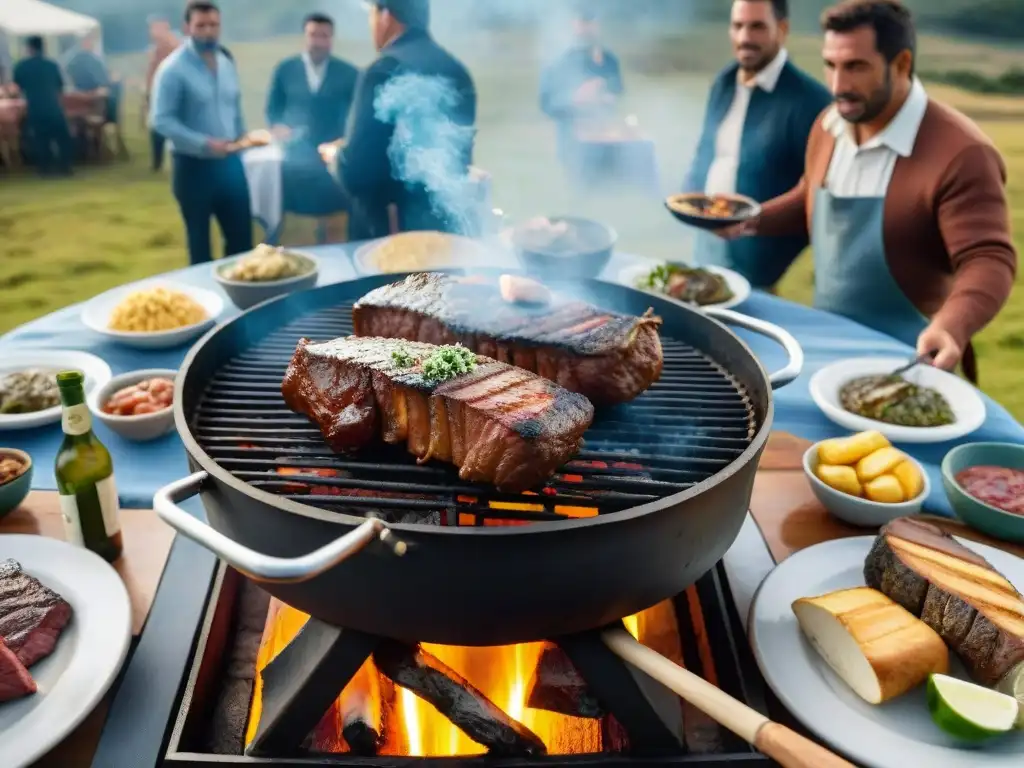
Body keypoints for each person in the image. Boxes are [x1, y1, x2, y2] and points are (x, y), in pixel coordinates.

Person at [718, 0, 1016, 381]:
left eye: (856, 67)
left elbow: (988, 258)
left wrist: (952, 326)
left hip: (913, 363)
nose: (838, 86)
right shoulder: (829, 125)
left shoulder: (962, 153)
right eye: (831, 65)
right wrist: (751, 219)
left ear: (902, 64)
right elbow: (810, 195)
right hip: (825, 353)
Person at [684, 0, 831, 292]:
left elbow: (814, 198)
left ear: (783, 29)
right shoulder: (724, 82)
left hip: (761, 269)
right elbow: (706, 152)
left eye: (757, 27)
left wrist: (772, 258)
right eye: (738, 26)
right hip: (706, 245)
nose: (744, 38)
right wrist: (689, 201)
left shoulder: (810, 101)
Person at [333, 0, 477, 240]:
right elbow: (459, 158)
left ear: (386, 17)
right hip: (448, 230)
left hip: (392, 236)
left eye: (372, 14)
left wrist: (337, 157)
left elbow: (358, 173)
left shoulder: (383, 70)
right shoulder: (458, 71)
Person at [150, 0, 253, 265]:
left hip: (231, 164)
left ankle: (246, 302)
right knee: (200, 249)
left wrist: (244, 136)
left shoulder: (226, 62)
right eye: (201, 25)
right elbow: (160, 120)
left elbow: (234, 106)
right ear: (187, 27)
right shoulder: (172, 69)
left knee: (242, 242)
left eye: (214, 25)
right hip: (192, 168)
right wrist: (204, 144)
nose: (208, 31)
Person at [266, 13, 359, 219]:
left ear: (332, 39)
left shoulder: (350, 73)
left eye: (324, 36)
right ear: (304, 37)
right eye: (313, 35)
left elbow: (357, 114)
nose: (318, 42)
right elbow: (273, 108)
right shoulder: (286, 69)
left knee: (337, 214)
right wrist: (277, 126)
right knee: (293, 213)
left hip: (332, 156)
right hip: (294, 156)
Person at [539, 6, 623, 173]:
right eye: (583, 22)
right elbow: (546, 104)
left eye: (592, 22)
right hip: (573, 145)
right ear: (574, 24)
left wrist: (606, 97)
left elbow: (618, 92)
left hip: (607, 141)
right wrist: (575, 100)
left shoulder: (608, 60)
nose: (588, 28)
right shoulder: (559, 62)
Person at [13, 37, 73, 176]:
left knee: (40, 139)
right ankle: (65, 167)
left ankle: (44, 168)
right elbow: (60, 86)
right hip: (53, 106)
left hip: (35, 107)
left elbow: (17, 88)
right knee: (62, 137)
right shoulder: (52, 65)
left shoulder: (22, 66)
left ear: (29, 48)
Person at [145, 16, 180, 172]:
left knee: (166, 126)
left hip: (168, 91)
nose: (152, 31)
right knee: (157, 128)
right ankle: (158, 162)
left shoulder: (171, 45)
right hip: (157, 91)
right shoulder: (157, 47)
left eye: (155, 27)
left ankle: (169, 160)